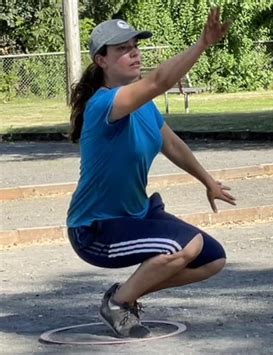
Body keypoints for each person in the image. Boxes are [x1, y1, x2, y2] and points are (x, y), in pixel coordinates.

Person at [66, 8, 234, 338]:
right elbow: (161, 80)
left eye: (135, 46)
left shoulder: (144, 106)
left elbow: (172, 145)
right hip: (95, 230)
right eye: (122, 49)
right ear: (102, 61)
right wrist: (202, 44)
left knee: (212, 259)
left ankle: (124, 296)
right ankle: (118, 303)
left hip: (135, 216)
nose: (134, 53)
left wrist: (208, 181)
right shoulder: (104, 105)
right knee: (185, 246)